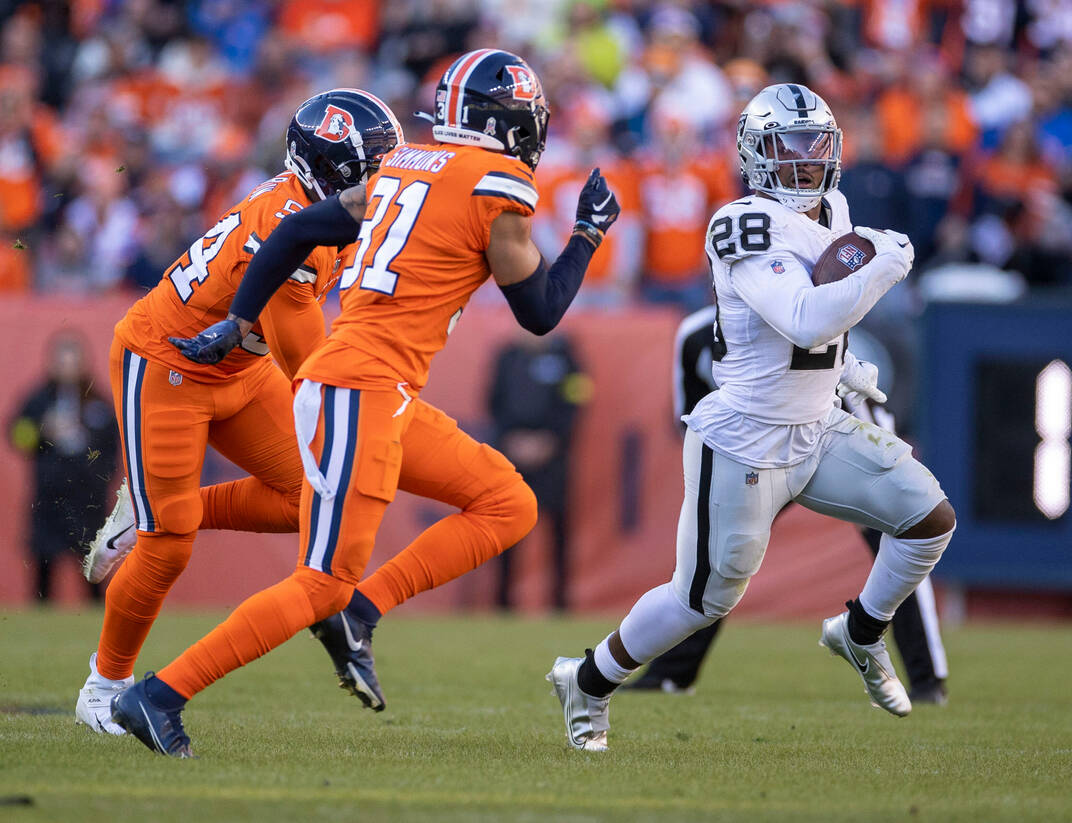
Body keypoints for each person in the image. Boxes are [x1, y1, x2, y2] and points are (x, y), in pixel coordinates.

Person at [110, 49, 621, 757]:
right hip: (360, 387)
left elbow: (294, 231)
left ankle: (362, 609)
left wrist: (240, 318)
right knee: (318, 580)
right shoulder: (497, 184)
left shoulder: (405, 162)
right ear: (510, 125)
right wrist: (589, 235)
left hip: (378, 389)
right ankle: (159, 694)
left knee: (508, 501)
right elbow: (539, 310)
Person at [548, 84, 956, 751]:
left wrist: (843, 369)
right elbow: (802, 314)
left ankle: (859, 630)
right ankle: (588, 678)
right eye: (786, 146)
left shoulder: (836, 207)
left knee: (928, 518)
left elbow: (822, 327)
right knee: (702, 599)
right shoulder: (740, 221)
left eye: (814, 144)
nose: (803, 160)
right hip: (745, 436)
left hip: (819, 424)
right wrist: (887, 264)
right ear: (753, 154)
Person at [73, 88, 403, 735]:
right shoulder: (294, 234)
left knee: (304, 496)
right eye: (373, 170)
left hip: (239, 369)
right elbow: (315, 368)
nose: (384, 182)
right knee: (168, 548)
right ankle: (102, 685)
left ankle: (156, 504)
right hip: (166, 362)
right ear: (331, 174)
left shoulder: (322, 210)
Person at [627, 304, 948, 702]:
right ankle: (672, 675)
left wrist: (879, 462)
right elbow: (690, 417)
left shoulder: (793, 314)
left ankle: (927, 679)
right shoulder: (695, 334)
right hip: (752, 456)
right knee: (716, 556)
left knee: (895, 537)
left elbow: (850, 396)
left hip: (831, 444)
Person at [8, 331, 118, 603]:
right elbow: (18, 437)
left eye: (73, 361)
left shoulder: (98, 402)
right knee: (44, 572)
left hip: (87, 500)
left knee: (92, 572)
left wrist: (90, 461)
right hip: (49, 498)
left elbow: (110, 452)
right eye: (62, 361)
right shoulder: (38, 401)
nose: (68, 368)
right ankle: (41, 626)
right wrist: (45, 429)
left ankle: (98, 628)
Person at [488, 331, 589, 611]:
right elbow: (493, 402)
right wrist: (513, 440)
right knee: (508, 529)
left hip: (554, 457)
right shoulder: (506, 356)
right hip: (512, 456)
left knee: (558, 530)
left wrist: (551, 440)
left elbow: (576, 400)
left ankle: (560, 603)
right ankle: (503, 604)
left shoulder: (567, 356)